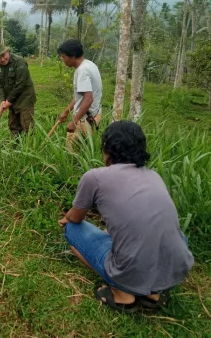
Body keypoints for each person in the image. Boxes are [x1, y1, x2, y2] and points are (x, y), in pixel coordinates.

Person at [58, 121, 194, 313]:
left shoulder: (95, 177)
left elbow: (76, 218)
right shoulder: (154, 176)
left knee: (72, 230)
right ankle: (153, 294)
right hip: (175, 270)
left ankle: (122, 293)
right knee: (178, 236)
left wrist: (67, 218)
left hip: (129, 272)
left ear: (106, 148)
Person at [57, 39, 102, 150]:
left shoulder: (82, 71)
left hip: (84, 119)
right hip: (93, 116)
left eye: (64, 57)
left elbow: (88, 99)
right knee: (84, 152)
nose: (62, 60)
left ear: (72, 56)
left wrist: (74, 121)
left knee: (72, 155)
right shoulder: (90, 64)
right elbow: (80, 95)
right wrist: (66, 111)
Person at [0, 42, 37, 136]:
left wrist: (8, 101)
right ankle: (15, 149)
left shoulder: (19, 62)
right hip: (11, 100)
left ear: (8, 51)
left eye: (3, 55)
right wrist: (3, 100)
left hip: (25, 98)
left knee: (27, 126)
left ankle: (31, 148)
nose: (2, 59)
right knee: (13, 126)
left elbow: (20, 84)